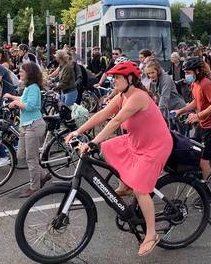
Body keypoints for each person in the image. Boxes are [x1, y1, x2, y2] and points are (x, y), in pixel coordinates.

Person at [65, 61, 172, 257]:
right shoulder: (123, 95)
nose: (114, 81)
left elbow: (116, 121)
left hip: (155, 146)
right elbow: (103, 114)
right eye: (113, 77)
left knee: (141, 190)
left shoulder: (138, 96)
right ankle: (125, 185)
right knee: (110, 147)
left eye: (117, 78)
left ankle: (151, 233)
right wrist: (77, 131)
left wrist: (93, 142)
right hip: (137, 141)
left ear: (130, 79)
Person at [3, 62, 51, 197]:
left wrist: (16, 103)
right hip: (25, 125)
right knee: (21, 155)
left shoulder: (34, 88)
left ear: (29, 73)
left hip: (33, 125)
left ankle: (34, 187)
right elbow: (24, 100)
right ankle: (43, 174)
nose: (19, 73)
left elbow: (29, 106)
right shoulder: (28, 88)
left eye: (21, 71)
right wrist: (12, 97)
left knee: (31, 158)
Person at [173, 57, 211, 180]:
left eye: (189, 72)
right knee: (193, 150)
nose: (186, 75)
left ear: (198, 71)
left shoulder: (206, 83)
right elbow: (196, 102)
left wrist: (197, 115)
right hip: (202, 124)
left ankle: (207, 193)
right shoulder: (195, 84)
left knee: (203, 161)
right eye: (185, 72)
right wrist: (181, 110)